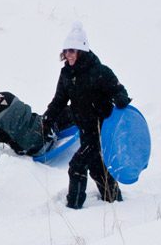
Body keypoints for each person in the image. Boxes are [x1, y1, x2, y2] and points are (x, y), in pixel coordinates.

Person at [40, 22, 131, 209]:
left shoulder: (99, 71)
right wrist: (47, 119)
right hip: (84, 129)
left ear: (81, 50)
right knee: (97, 168)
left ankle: (73, 208)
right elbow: (59, 100)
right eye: (66, 51)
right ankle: (115, 201)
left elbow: (118, 90)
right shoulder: (66, 74)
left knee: (77, 165)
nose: (68, 55)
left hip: (100, 128)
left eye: (72, 51)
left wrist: (121, 98)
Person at [0, 87, 73, 162]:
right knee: (59, 112)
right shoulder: (6, 95)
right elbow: (17, 117)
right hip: (44, 127)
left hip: (35, 146)